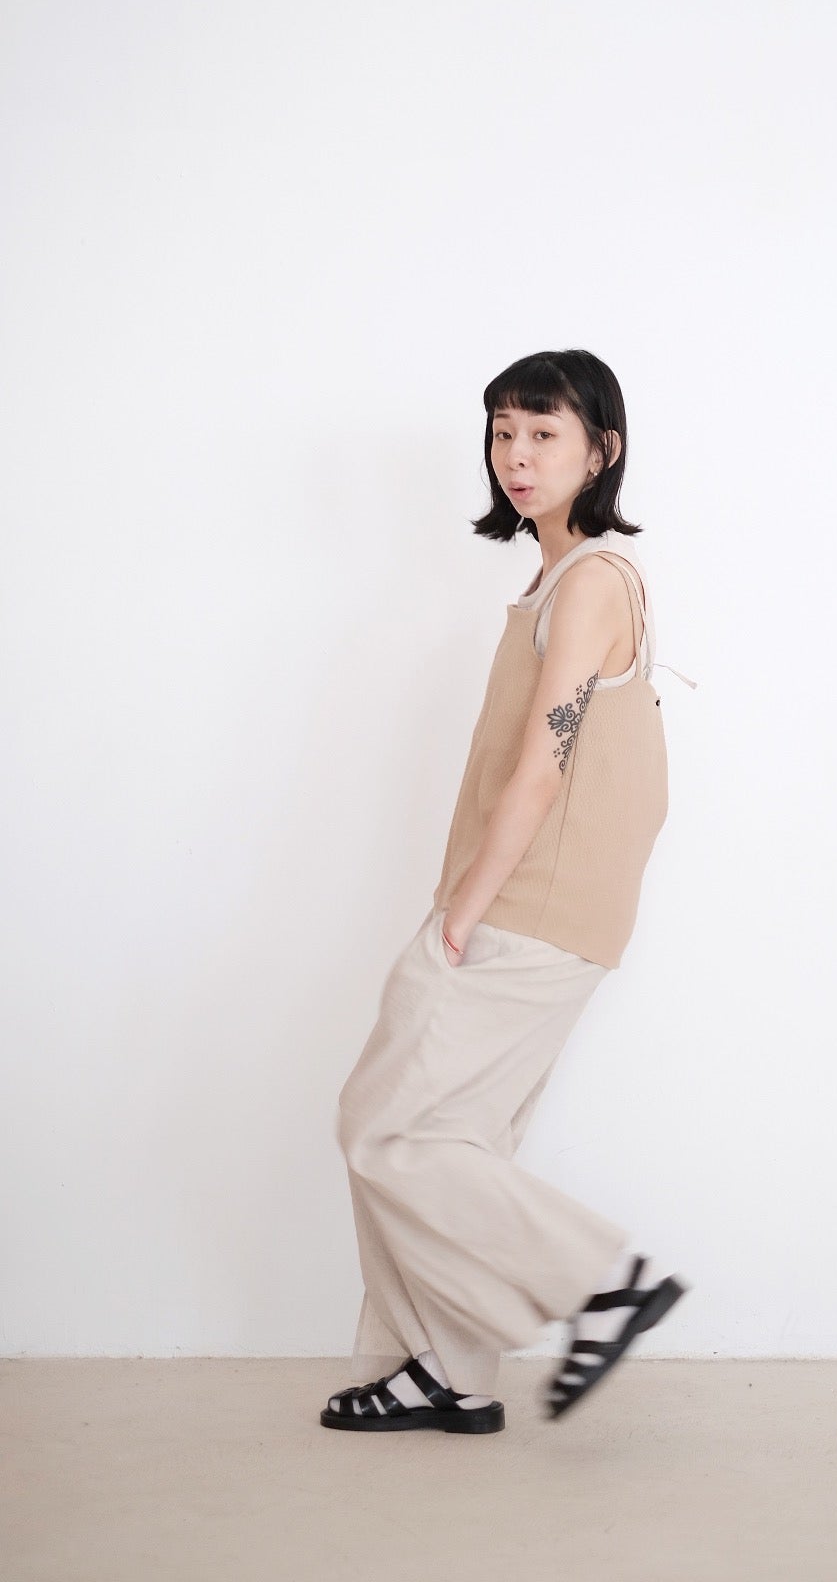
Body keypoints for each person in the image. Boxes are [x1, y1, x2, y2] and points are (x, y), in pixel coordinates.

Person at [320, 348, 697, 1435]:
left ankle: (603, 1280)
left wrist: (461, 911)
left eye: (543, 434)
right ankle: (447, 1373)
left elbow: (544, 765)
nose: (516, 456)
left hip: (525, 907)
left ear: (601, 450)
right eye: (502, 433)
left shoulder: (591, 583)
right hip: (542, 907)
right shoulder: (557, 580)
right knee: (454, 1140)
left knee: (387, 1129)